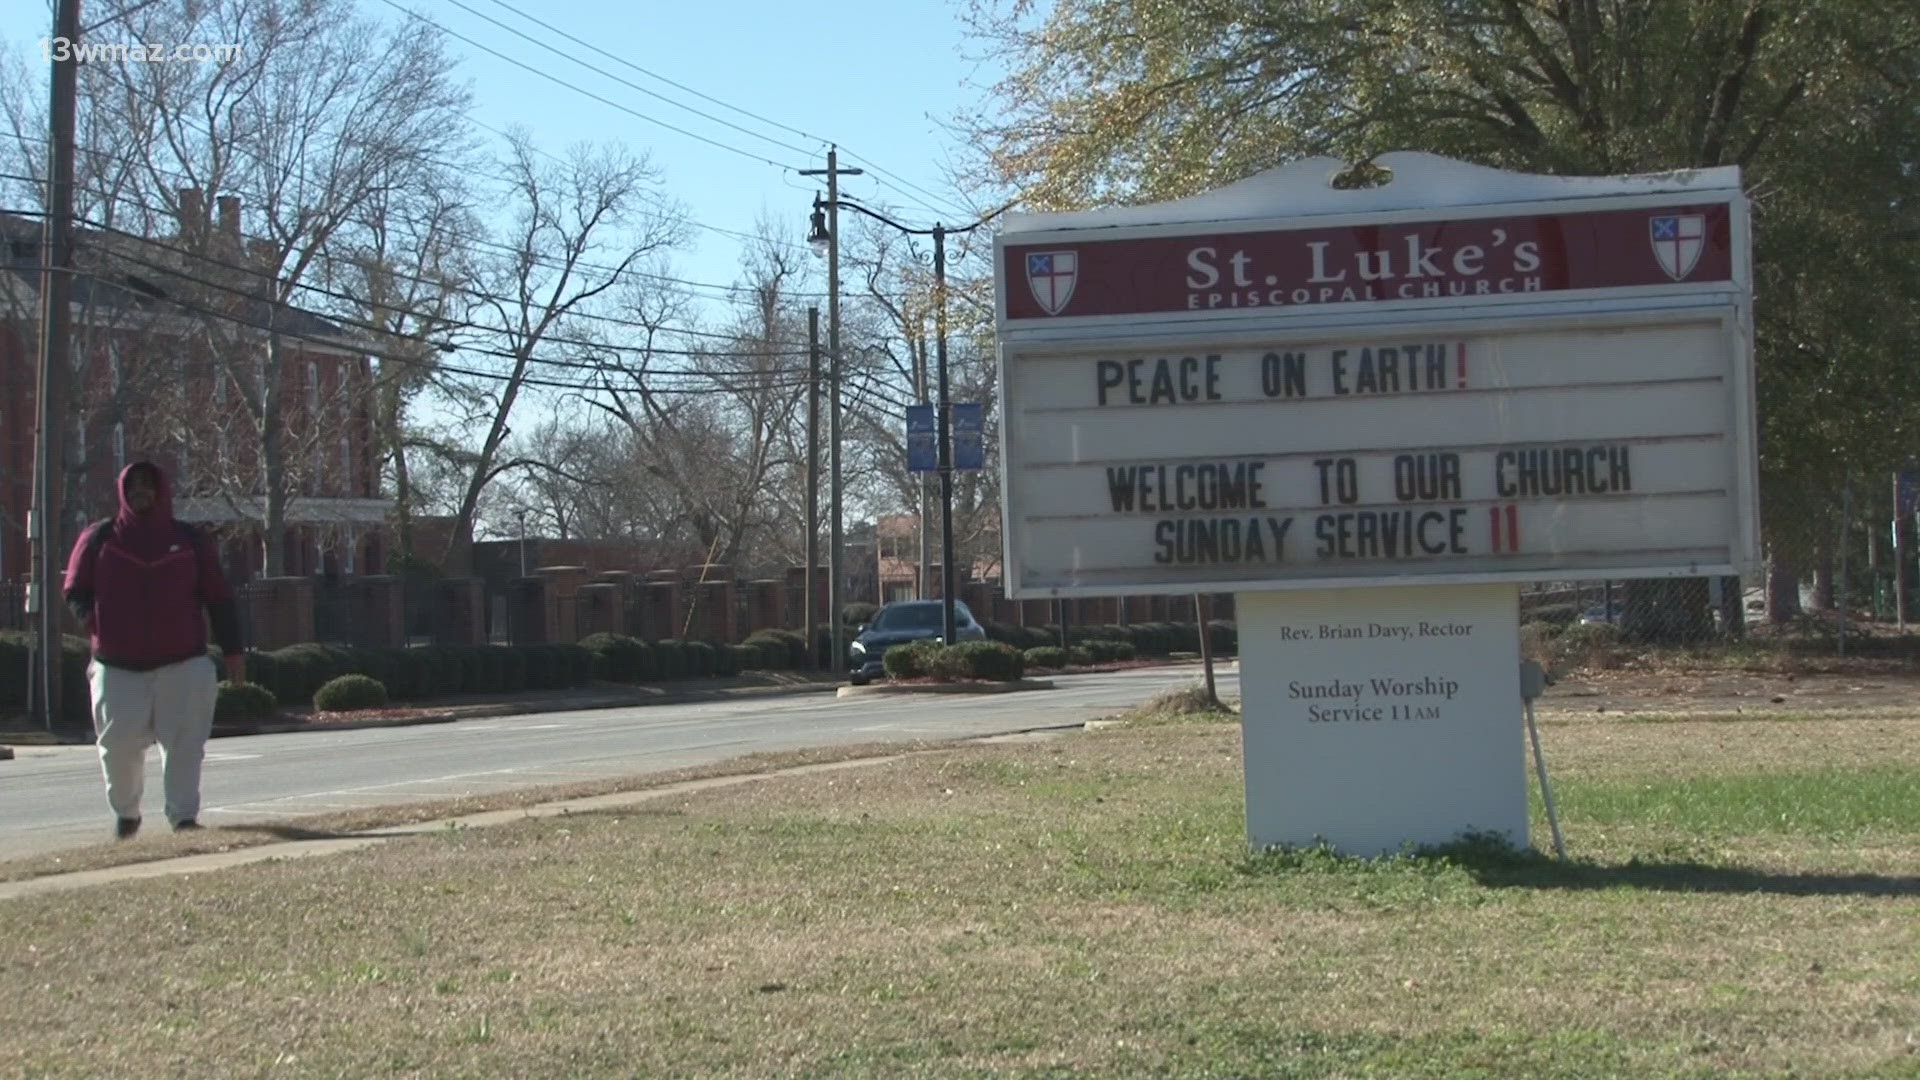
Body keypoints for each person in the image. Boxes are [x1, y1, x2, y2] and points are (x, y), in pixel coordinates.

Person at [62, 461, 245, 839]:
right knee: (117, 746)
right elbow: (75, 590)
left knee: (184, 746)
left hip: (184, 663)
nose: (141, 493)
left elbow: (219, 598)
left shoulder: (190, 540)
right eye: (134, 487)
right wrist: (95, 622)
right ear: (122, 492)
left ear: (162, 491)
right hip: (117, 665)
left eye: (149, 486)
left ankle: (184, 818)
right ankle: (127, 816)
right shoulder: (100, 537)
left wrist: (234, 655)